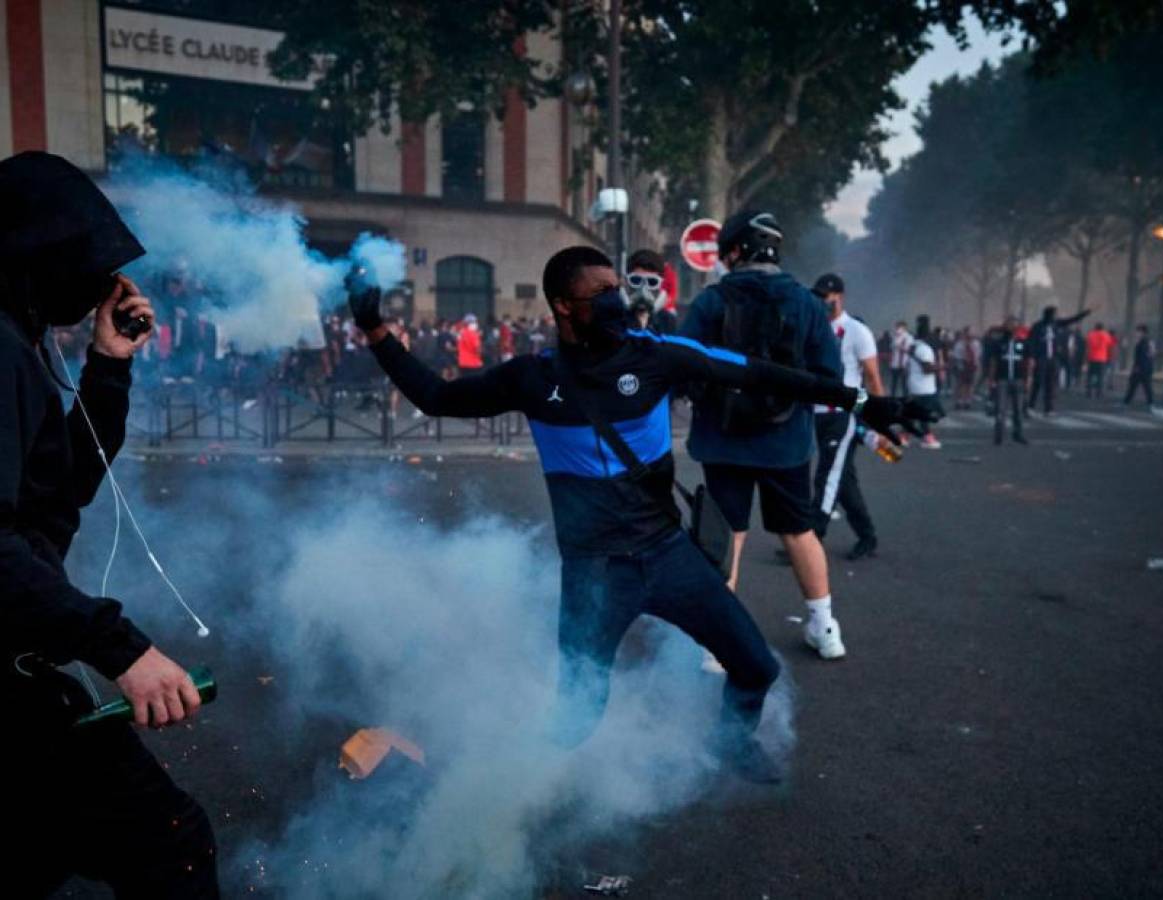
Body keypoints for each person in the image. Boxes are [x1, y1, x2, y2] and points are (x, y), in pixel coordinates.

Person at [348, 244, 930, 783]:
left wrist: (864, 403)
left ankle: (731, 742)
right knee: (576, 718)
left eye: (615, 287)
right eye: (600, 292)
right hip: (594, 573)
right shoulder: (533, 378)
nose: (616, 300)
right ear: (563, 306)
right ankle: (497, 786)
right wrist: (377, 331)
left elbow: (761, 373)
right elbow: (436, 396)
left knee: (756, 668)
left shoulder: (658, 356)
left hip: (669, 554)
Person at [0, 152, 217, 897]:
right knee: (170, 844)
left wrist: (108, 365)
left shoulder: (17, 341)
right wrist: (118, 647)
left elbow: (54, 495)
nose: (101, 285)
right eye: (83, 264)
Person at [680, 210, 847, 660]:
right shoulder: (807, 304)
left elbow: (681, 366)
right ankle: (824, 627)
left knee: (728, 536)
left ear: (735, 250)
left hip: (722, 439)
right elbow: (830, 376)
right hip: (786, 443)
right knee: (798, 532)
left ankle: (717, 646)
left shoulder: (711, 302)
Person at [809, 273, 885, 560]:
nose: (822, 302)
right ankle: (867, 536)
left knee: (827, 477)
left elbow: (873, 377)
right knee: (844, 482)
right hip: (815, 412)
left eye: (826, 297)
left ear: (840, 297)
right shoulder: (815, 327)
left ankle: (813, 537)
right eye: (818, 296)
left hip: (842, 415)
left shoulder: (856, 332)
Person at [1028, 306, 1090, 413]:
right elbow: (1031, 342)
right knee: (1037, 383)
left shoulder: (1056, 324)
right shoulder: (1037, 326)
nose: (1056, 316)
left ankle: (1049, 408)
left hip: (1053, 359)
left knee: (1051, 384)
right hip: (1041, 358)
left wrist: (1087, 312)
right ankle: (1031, 406)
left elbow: (1073, 319)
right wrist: (1032, 357)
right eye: (1054, 314)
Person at [985, 315, 1030, 445]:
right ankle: (999, 435)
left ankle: (1018, 434)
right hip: (1002, 380)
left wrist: (1028, 379)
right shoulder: (998, 343)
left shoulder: (1023, 343)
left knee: (1018, 409)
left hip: (1018, 379)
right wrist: (991, 379)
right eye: (1009, 324)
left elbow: (1028, 363)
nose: (1011, 327)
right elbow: (993, 362)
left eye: (1014, 324)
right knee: (1000, 409)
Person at [906, 316, 945, 449]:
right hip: (925, 387)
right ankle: (927, 438)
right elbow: (927, 369)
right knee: (924, 414)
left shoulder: (914, 346)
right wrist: (941, 367)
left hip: (915, 385)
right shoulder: (925, 349)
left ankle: (903, 436)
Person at [625, 248, 677, 335]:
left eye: (652, 282)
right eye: (636, 280)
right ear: (627, 281)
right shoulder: (614, 319)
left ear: (660, 284)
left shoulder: (668, 321)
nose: (643, 289)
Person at [1123, 324, 1155, 409]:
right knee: (1138, 386)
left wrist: (1137, 367)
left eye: (1138, 331)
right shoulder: (1148, 341)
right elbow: (1151, 354)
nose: (1136, 333)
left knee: (1139, 386)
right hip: (1145, 368)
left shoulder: (1143, 342)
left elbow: (1142, 356)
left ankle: (1150, 404)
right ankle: (1150, 404)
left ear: (1142, 332)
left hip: (1141, 368)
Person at [951, 326, 982, 410]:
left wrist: (976, 364)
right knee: (960, 384)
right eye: (968, 333)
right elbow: (956, 356)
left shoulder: (976, 343)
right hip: (962, 364)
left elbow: (978, 355)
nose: (970, 335)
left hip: (972, 365)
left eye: (971, 333)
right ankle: (959, 401)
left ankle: (968, 401)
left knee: (970, 384)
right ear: (965, 334)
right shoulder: (959, 344)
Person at [1084, 321, 1116, 399]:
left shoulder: (1090, 334)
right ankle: (1099, 393)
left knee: (1090, 376)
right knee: (1100, 377)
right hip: (1102, 358)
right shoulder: (1106, 335)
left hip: (1091, 358)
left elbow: (1087, 345)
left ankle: (1089, 392)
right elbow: (1110, 345)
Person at [889, 320, 912, 396]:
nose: (897, 329)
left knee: (904, 384)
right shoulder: (895, 337)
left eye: (899, 327)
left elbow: (909, 350)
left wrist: (900, 347)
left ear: (904, 328)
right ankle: (892, 398)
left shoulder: (909, 337)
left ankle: (905, 399)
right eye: (897, 327)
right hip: (895, 363)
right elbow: (892, 348)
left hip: (904, 364)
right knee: (893, 383)